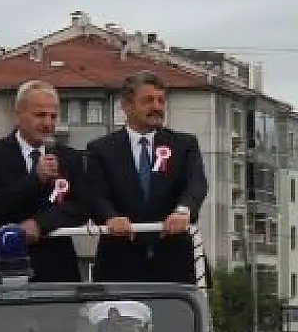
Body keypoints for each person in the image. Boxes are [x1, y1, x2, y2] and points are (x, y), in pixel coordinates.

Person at [84, 71, 210, 286]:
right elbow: (95, 194)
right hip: (120, 263)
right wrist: (110, 217)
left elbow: (196, 183)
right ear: (126, 105)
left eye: (161, 100)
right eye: (148, 100)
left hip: (174, 264)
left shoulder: (184, 144)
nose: (157, 107)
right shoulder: (101, 149)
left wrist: (183, 211)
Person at [0, 81, 91, 284]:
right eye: (40, 115)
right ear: (18, 115)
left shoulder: (70, 158)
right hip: (3, 263)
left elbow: (81, 207)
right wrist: (35, 180)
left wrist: (40, 224)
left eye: (53, 116)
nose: (47, 123)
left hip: (56, 265)